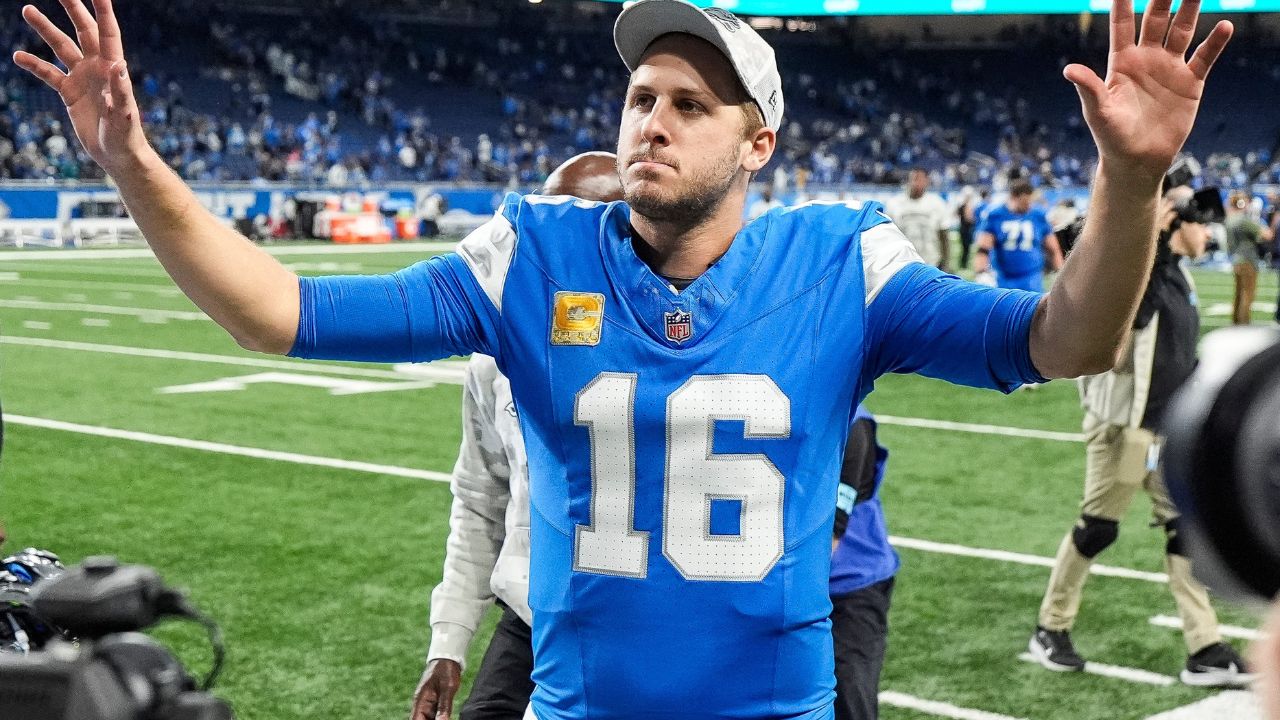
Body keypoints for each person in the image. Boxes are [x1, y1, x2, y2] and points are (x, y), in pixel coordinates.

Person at [14, 0, 1233, 717]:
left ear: (757, 144)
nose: (650, 118)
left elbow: (1059, 338)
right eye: (641, 95)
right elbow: (276, 312)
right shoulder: (528, 255)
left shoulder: (839, 261)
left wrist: (1127, 178)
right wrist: (128, 156)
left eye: (689, 104)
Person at [412, 152, 625, 720]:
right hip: (534, 616)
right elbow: (481, 502)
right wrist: (449, 641)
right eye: (553, 221)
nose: (561, 245)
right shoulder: (495, 361)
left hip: (641, 631)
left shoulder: (683, 351)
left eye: (586, 224)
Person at [1029, 184, 1254, 688]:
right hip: (1132, 436)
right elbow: (1137, 313)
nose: (1207, 232)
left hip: (1165, 432)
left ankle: (1205, 648)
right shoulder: (1144, 275)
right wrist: (1153, 221)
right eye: (1198, 222)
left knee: (1185, 531)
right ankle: (1050, 627)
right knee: (1098, 528)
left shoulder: (1177, 275)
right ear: (1177, 226)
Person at [829, 406, 897, 720]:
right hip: (791, 581)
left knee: (849, 698)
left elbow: (834, 531)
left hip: (850, 583)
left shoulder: (851, 421)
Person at [973, 179, 1064, 292]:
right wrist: (981, 273)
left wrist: (1060, 273)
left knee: (1034, 308)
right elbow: (983, 249)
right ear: (1013, 197)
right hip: (1003, 278)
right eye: (1025, 202)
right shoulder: (995, 215)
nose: (1028, 206)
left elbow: (1053, 249)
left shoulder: (1038, 216)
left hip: (1032, 278)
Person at [884, 168, 950, 271]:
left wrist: (945, 263)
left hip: (931, 264)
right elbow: (887, 237)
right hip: (903, 265)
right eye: (914, 179)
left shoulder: (937, 203)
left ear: (927, 181)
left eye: (920, 179)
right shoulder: (894, 204)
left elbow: (944, 236)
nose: (916, 183)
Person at [1225, 190, 1272, 325]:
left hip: (1236, 260)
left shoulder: (1230, 219)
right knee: (1247, 296)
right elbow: (1267, 235)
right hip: (1248, 260)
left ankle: (1236, 323)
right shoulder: (1243, 220)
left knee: (1239, 295)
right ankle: (1243, 325)